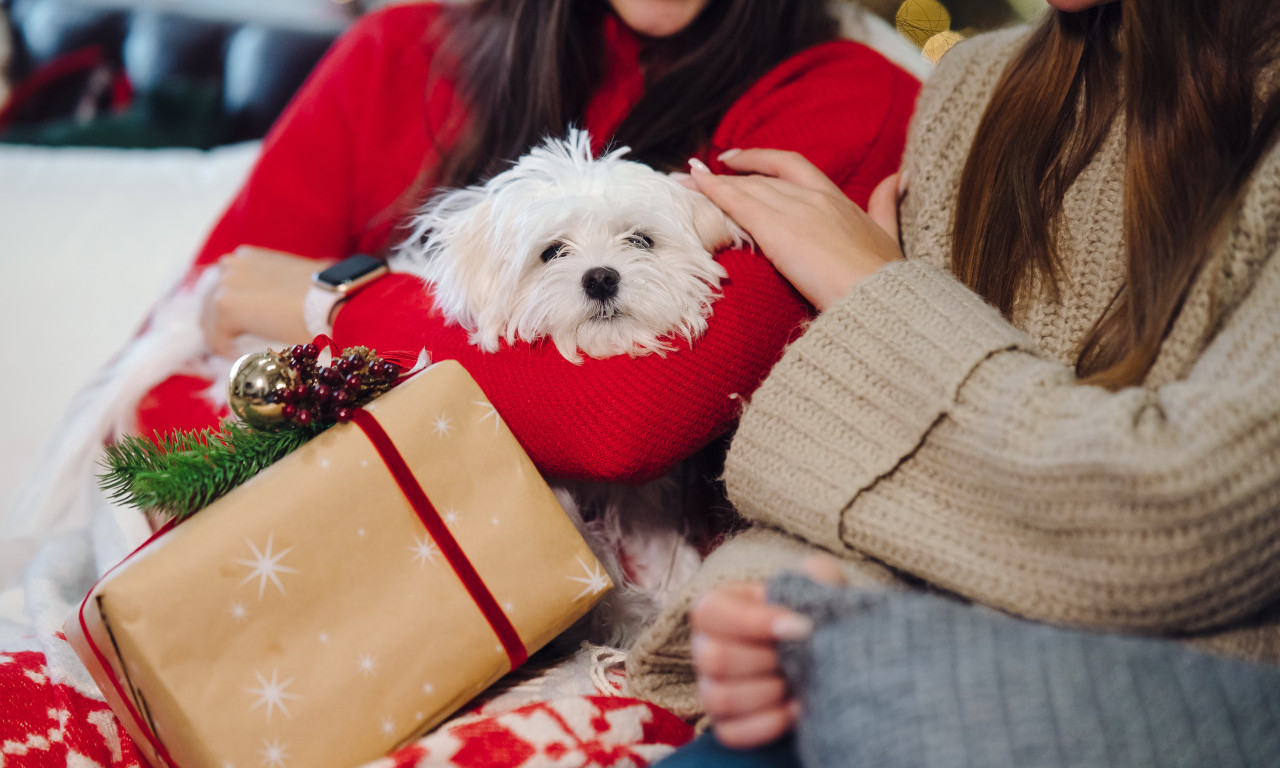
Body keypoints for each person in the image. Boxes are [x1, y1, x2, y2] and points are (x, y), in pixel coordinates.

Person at [620, 0, 1280, 762]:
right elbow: (885, 485)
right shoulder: (973, 86)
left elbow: (1188, 523)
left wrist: (880, 295)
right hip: (909, 689)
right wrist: (777, 605)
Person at [129, 0, 920, 490]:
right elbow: (184, 358)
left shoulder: (843, 99)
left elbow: (618, 421)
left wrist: (332, 303)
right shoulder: (399, 55)